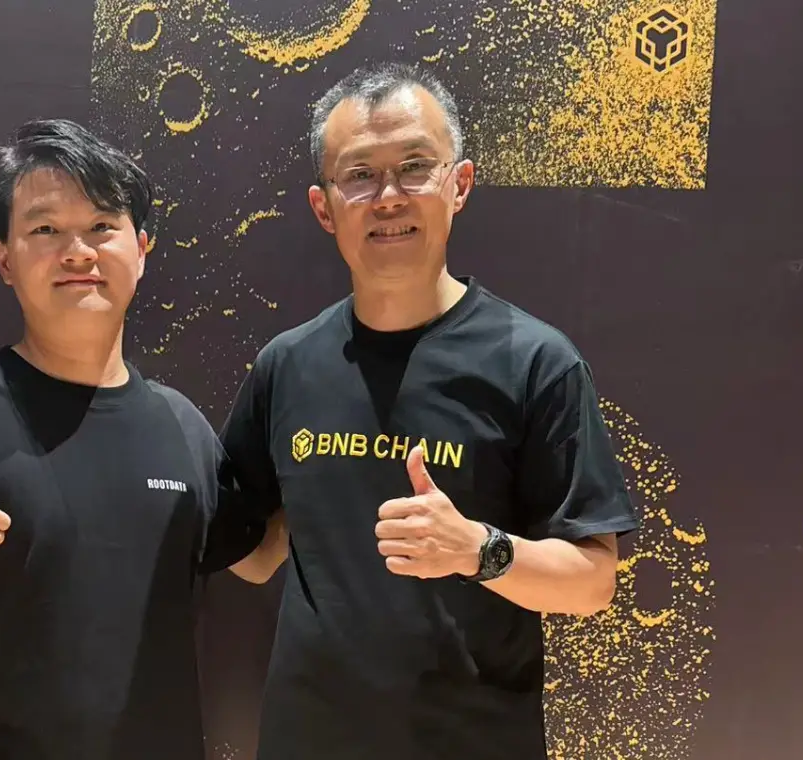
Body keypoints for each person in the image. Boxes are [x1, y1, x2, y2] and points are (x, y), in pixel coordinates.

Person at [219, 62, 640, 760]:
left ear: (459, 184)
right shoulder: (287, 365)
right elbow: (256, 553)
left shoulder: (535, 361)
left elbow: (593, 582)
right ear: (324, 207)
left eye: (415, 167)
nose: (388, 198)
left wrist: (476, 548)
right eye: (360, 175)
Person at [0, 118, 286, 760]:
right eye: (45, 229)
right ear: (5, 259)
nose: (78, 252)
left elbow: (255, 555)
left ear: (141, 250)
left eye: (102, 225)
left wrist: (333, 473)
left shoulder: (182, 425)